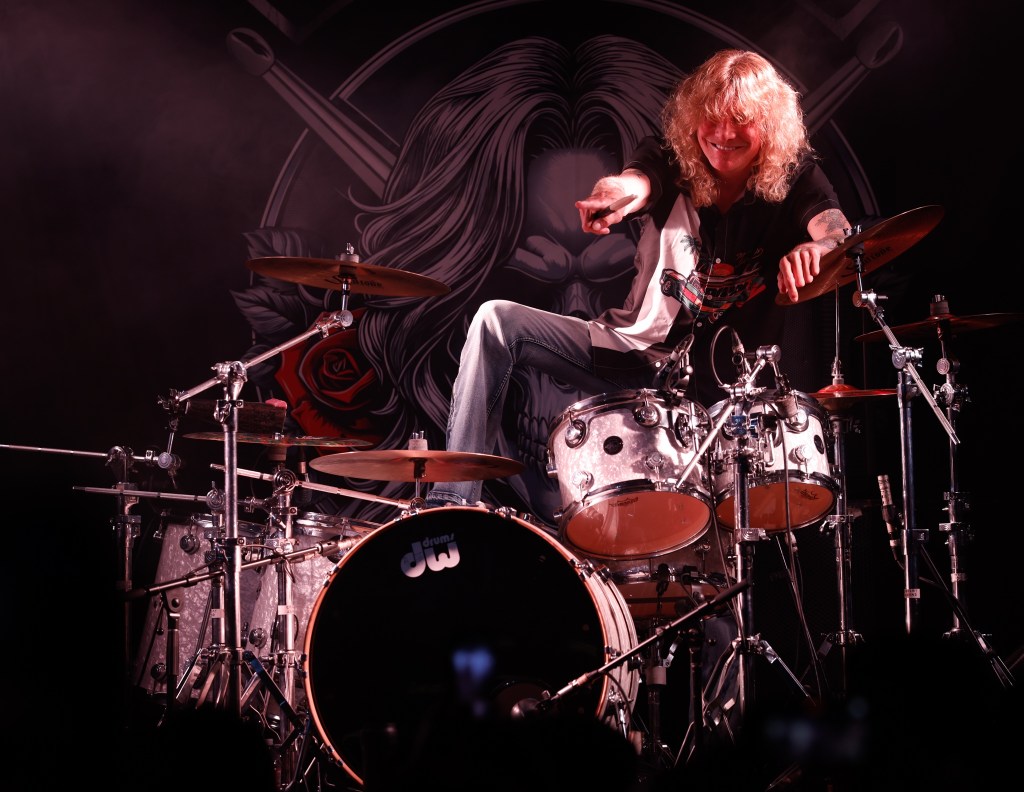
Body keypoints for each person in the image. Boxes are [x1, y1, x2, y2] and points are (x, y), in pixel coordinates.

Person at [425, 48, 853, 512]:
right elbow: (635, 183)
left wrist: (819, 249)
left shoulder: (796, 176)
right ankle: (451, 503)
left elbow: (837, 232)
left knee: (716, 529)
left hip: (728, 393)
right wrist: (612, 196)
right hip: (633, 352)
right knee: (496, 321)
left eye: (741, 121)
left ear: (768, 125)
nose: (724, 134)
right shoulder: (673, 158)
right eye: (712, 118)